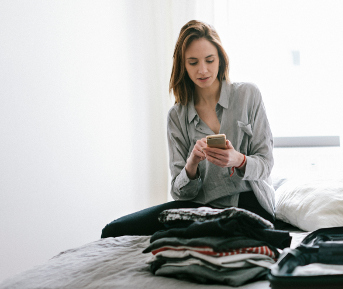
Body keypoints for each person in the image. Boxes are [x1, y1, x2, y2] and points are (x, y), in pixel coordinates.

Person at [101, 20, 275, 238]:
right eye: (193, 62)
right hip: (200, 208)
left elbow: (266, 165)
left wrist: (237, 159)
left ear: (220, 59)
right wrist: (192, 162)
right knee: (114, 230)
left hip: (249, 203)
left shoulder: (248, 95)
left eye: (209, 60)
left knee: (200, 235)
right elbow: (179, 192)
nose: (203, 70)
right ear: (182, 65)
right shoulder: (177, 116)